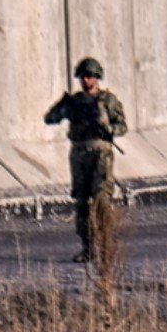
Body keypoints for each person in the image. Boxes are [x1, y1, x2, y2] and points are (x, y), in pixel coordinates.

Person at [44, 58, 128, 262]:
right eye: (83, 76)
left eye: (89, 76)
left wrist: (108, 128)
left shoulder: (108, 101)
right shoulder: (75, 102)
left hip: (101, 153)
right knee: (81, 202)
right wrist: (63, 107)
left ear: (97, 78)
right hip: (79, 154)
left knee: (101, 199)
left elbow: (122, 126)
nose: (86, 80)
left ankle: (106, 246)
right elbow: (50, 118)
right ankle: (88, 247)